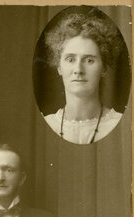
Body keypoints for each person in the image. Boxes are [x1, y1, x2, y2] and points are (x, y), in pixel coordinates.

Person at [42, 10, 125, 144]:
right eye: (70, 59)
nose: (78, 70)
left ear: (103, 68)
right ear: (59, 67)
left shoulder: (120, 125)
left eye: (89, 60)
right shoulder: (48, 124)